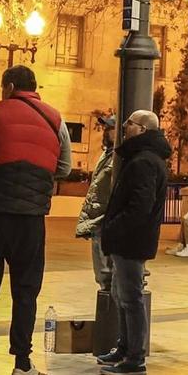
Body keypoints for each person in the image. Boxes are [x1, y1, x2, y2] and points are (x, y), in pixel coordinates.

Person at [0, 65, 70, 375]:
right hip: (31, 220)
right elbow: (64, 167)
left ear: (8, 86)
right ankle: (23, 366)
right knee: (25, 291)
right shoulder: (56, 118)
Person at [88, 108, 169, 375]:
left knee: (131, 298)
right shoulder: (143, 157)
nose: (124, 127)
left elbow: (139, 206)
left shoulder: (144, 161)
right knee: (121, 296)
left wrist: (114, 228)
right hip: (129, 239)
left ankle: (135, 358)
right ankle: (124, 348)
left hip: (131, 241)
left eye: (129, 124)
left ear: (143, 129)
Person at [77, 112, 118, 327]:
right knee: (102, 274)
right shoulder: (107, 154)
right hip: (98, 221)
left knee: (109, 274)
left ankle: (111, 328)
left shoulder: (119, 156)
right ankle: (107, 327)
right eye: (105, 128)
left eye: (110, 128)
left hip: (108, 221)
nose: (105, 132)